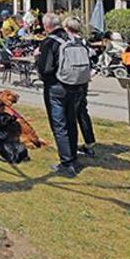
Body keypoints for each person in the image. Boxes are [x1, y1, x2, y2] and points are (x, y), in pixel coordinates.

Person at [36, 14, 91, 177]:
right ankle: (73, 157)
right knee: (71, 121)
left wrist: (38, 63)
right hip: (77, 86)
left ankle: (66, 163)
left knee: (59, 124)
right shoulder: (74, 39)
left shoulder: (50, 42)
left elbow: (45, 69)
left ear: (46, 26)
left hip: (57, 86)